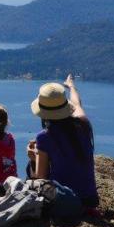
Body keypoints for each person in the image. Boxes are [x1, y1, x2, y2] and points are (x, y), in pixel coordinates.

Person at [28, 74, 99, 208]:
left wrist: (34, 158)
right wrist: (71, 86)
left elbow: (40, 178)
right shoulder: (83, 124)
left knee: (29, 176)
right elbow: (77, 103)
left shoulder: (44, 137)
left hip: (65, 200)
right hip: (90, 199)